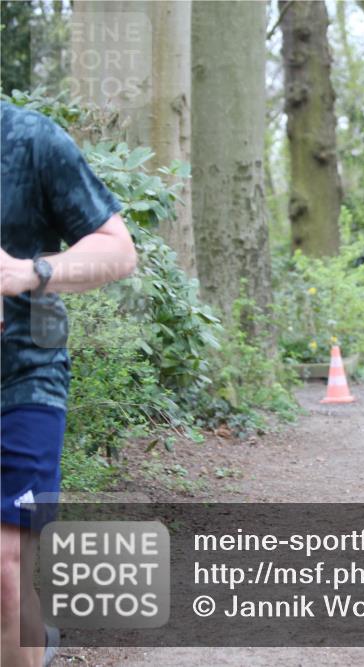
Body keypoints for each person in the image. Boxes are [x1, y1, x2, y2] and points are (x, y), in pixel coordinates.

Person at [1, 101, 138, 667]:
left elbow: (118, 250)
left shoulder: (30, 140)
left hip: (24, 378)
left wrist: (30, 272)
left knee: (5, 573)